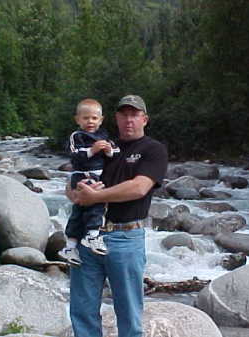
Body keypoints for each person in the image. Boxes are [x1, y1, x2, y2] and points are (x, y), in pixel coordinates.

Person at [67, 95, 168, 337]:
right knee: (82, 310)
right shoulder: (103, 145)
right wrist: (75, 194)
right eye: (124, 114)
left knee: (129, 313)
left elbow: (139, 187)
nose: (128, 120)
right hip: (87, 236)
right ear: (116, 118)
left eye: (134, 114)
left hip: (125, 237)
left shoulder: (153, 150)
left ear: (145, 119)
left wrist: (96, 198)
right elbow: (74, 178)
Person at [59, 98, 120, 267]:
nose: (90, 122)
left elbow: (116, 153)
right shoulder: (76, 136)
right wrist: (92, 151)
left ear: (101, 120)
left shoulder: (103, 136)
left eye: (94, 118)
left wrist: (109, 151)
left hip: (97, 174)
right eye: (85, 118)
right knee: (97, 204)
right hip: (82, 174)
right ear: (77, 120)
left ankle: (70, 245)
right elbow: (73, 154)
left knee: (79, 210)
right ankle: (92, 235)